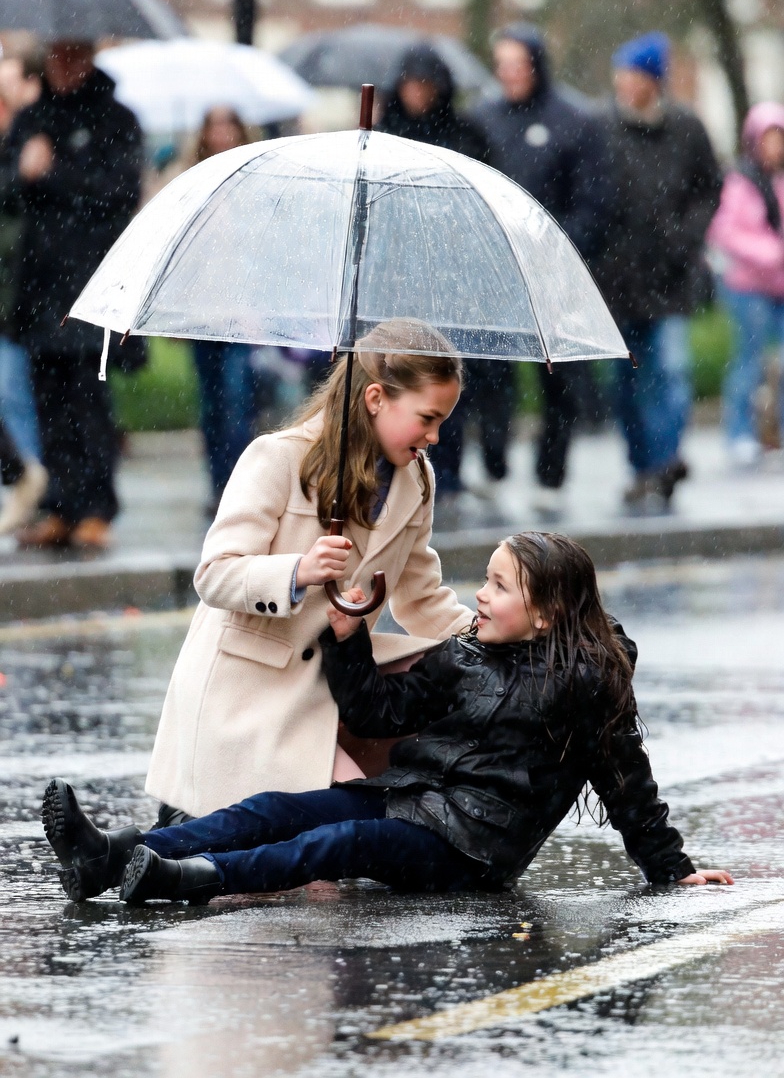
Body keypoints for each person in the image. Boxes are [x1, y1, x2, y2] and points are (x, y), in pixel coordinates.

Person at [41, 530, 733, 903]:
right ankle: (110, 855)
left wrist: (671, 870)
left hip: (469, 848)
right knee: (277, 808)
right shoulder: (465, 655)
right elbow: (377, 713)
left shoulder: (587, 685)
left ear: (547, 612)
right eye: (484, 580)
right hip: (408, 801)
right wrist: (349, 636)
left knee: (339, 843)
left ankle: (185, 878)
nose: (478, 597)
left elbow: (629, 788)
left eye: (498, 586)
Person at [142, 319, 474, 828]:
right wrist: (298, 570)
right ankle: (132, 845)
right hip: (247, 695)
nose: (433, 437)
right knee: (285, 855)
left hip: (328, 697)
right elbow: (214, 574)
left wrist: (498, 643)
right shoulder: (277, 458)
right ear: (376, 399)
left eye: (441, 422)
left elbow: (421, 597)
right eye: (427, 418)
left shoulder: (417, 480)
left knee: (330, 849)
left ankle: (160, 840)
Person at [458, 24, 610, 515]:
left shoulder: (574, 122)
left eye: (516, 63)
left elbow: (592, 203)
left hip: (551, 271)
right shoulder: (481, 119)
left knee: (556, 377)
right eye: (500, 64)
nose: (508, 74)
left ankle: (551, 472)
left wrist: (551, 245)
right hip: (492, 269)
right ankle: (495, 463)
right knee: (487, 374)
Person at [0, 40, 143, 550]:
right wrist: (24, 171)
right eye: (57, 56)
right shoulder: (33, 117)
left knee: (88, 401)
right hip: (39, 285)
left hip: (91, 283)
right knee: (49, 402)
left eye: (73, 56)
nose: (64, 67)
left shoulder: (116, 119)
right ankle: (60, 504)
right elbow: (8, 188)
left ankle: (96, 507)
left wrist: (52, 174)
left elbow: (119, 191)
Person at [593, 32, 722, 513]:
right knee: (623, 381)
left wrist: (684, 236)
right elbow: (586, 191)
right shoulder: (601, 127)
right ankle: (642, 466)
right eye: (620, 75)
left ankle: (666, 461)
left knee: (669, 370)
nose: (624, 84)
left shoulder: (687, 129)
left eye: (633, 76)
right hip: (615, 281)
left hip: (670, 278)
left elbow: (710, 189)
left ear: (653, 81)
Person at [376, 44, 492, 502]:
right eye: (410, 84)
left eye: (425, 85)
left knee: (445, 378)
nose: (417, 94)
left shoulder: (465, 136)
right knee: (399, 377)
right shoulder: (384, 136)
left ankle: (447, 474)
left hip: (451, 281)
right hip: (396, 277)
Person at [188, 107, 258, 514]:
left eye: (228, 123)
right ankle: (218, 483)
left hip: (241, 316)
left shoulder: (255, 183)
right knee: (212, 406)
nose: (220, 132)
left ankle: (238, 487)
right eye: (212, 123)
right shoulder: (194, 181)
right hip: (204, 316)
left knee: (235, 401)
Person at [707, 102, 784, 468]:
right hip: (747, 286)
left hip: (780, 286)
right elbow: (725, 230)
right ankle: (739, 432)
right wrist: (769, 252)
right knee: (748, 361)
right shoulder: (741, 181)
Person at [0, 51, 48, 535]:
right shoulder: (15, 144)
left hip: (22, 295)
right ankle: (26, 479)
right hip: (14, 292)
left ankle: (30, 483)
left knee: (17, 395)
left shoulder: (32, 138)